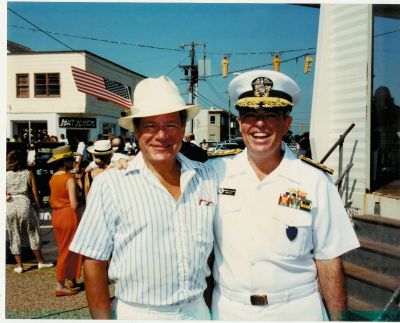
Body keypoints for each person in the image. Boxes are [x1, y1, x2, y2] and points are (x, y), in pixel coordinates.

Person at [207, 70, 360, 321]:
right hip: (229, 311)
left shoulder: (315, 181)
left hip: (296, 310)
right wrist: (128, 163)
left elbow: (329, 260)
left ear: (287, 123)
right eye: (251, 115)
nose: (260, 124)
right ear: (239, 121)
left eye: (270, 115)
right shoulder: (214, 173)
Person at [69, 75, 218, 320]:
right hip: (140, 313)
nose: (161, 135)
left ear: (182, 129)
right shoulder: (112, 183)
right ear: (136, 131)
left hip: (198, 312)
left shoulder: (208, 177)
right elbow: (94, 261)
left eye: (171, 125)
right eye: (150, 126)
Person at [6, 150, 54, 273]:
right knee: (32, 232)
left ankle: (19, 265)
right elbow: (34, 193)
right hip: (24, 203)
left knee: (14, 234)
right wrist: (39, 206)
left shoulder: (5, 175)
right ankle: (41, 262)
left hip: (10, 205)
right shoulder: (28, 173)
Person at [47, 145, 84, 297]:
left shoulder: (53, 177)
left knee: (64, 248)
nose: (73, 161)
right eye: (71, 159)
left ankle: (69, 280)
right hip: (69, 215)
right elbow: (74, 203)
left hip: (57, 214)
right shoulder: (69, 178)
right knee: (68, 250)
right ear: (65, 162)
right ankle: (61, 284)